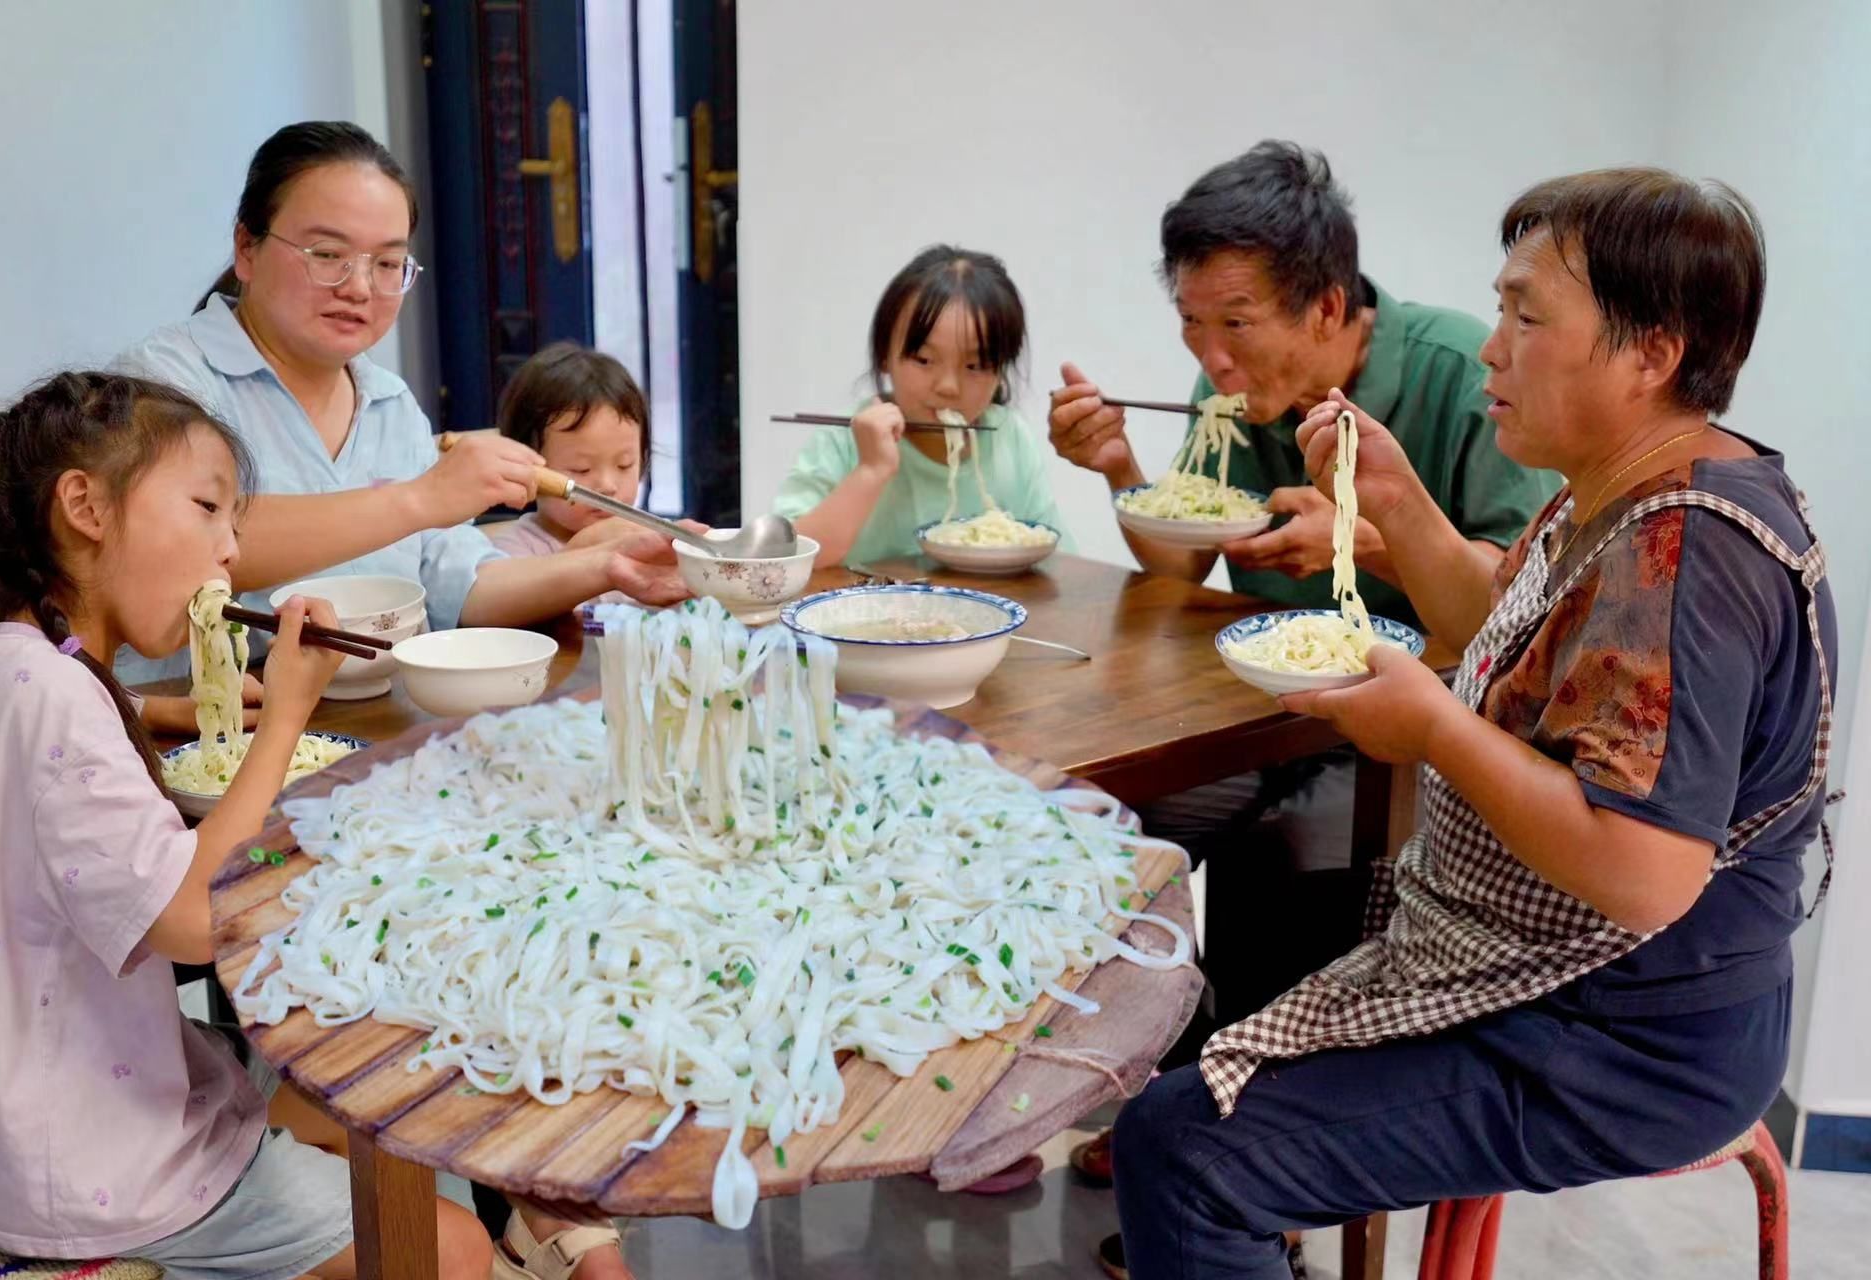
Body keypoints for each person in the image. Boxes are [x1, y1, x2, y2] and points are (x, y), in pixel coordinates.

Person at [1111, 168, 1833, 1280]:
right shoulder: (1623, 485)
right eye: (1497, 311)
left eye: (1526, 317)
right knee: (1232, 1016)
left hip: (1622, 1035)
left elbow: (1644, 874)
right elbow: (1504, 621)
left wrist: (1436, 729)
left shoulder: (1684, 549)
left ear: (1650, 351)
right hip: (1556, 973)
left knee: (1183, 1147)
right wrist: (1394, 502)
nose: (1490, 347)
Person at [1051, 145, 1559, 1211]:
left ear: (1327, 306)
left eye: (1234, 322)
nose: (1210, 356)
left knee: (1282, 864)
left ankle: (1247, 1163)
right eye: (1192, 323)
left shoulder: (1460, 373)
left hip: (1413, 730)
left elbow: (1526, 608)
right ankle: (1173, 1095)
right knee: (1111, 825)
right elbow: (1179, 557)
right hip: (1261, 708)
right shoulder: (1222, 390)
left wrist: (1362, 536)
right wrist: (1117, 471)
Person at [0, 371, 496, 1279]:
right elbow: (187, 917)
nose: (230, 553)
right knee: (448, 1248)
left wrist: (153, 715)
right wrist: (290, 716)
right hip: (82, 1163)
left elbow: (52, 765)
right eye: (209, 510)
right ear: (84, 507)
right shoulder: (62, 700)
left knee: (340, 1089)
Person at [116, 121, 687, 685]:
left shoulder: (389, 403)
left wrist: (611, 564)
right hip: (197, 732)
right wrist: (421, 498)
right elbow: (180, 551)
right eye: (327, 254)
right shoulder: (163, 385)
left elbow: (461, 588)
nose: (360, 287)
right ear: (247, 247)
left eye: (387, 264)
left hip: (370, 717)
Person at [773, 244, 1070, 568]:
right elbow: (784, 562)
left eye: (975, 366)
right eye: (925, 360)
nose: (948, 386)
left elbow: (1055, 558)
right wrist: (871, 470)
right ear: (885, 354)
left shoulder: (1008, 435)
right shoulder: (841, 440)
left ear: (1000, 371)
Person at [487, 342, 664, 607]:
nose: (607, 486)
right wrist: (585, 550)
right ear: (527, 466)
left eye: (625, 465)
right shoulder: (513, 556)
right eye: (582, 469)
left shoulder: (649, 541)